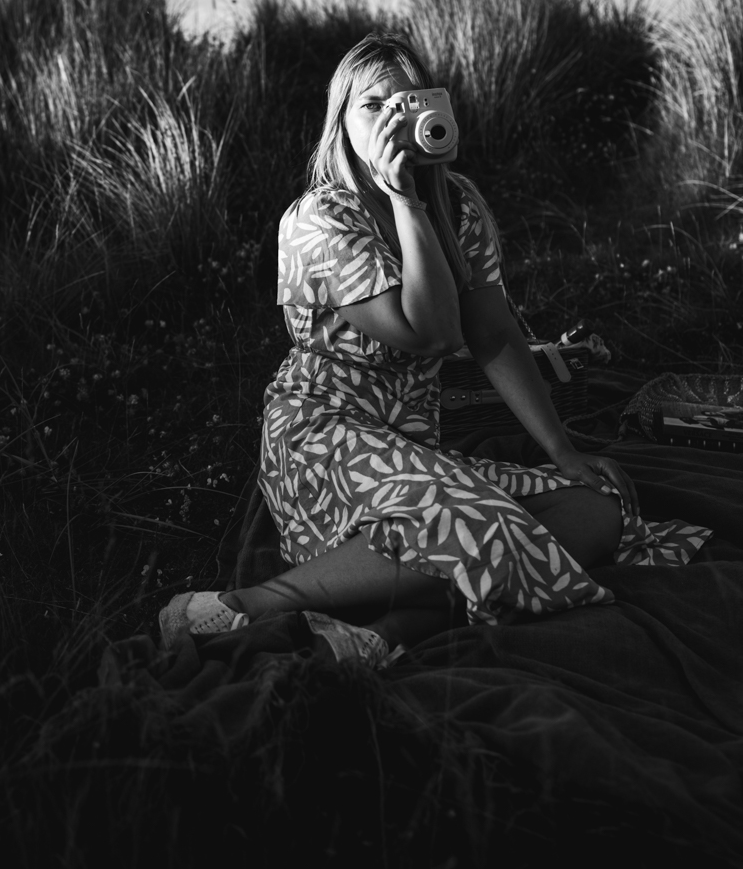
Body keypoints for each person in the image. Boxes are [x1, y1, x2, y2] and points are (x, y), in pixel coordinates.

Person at [160, 34, 711, 664]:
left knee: (595, 511)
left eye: (407, 102)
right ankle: (244, 604)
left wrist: (563, 451)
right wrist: (404, 200)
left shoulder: (459, 204)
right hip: (325, 430)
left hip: (416, 442)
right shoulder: (319, 219)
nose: (392, 119)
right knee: (477, 525)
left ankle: (375, 634)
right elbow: (433, 334)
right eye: (373, 105)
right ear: (341, 124)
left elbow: (492, 335)